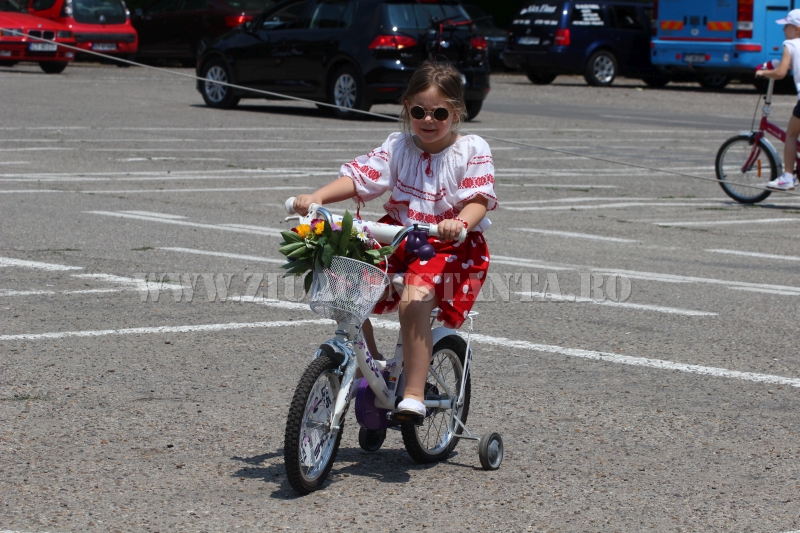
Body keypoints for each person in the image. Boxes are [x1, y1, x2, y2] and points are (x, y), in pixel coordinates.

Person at [293, 61, 498, 417]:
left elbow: (479, 199)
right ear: (407, 107)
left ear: (457, 112)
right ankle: (366, 364)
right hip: (400, 236)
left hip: (448, 245)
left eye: (439, 112)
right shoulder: (399, 146)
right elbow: (361, 178)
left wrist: (459, 222)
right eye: (419, 111)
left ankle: (414, 394)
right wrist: (318, 197)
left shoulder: (472, 149)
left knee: (413, 302)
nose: (428, 119)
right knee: (345, 286)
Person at [756, 9, 800, 191]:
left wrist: (763, 72)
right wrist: (777, 63)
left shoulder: (790, 44)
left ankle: (788, 176)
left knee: (791, 134)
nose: (784, 30)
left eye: (786, 26)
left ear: (797, 28)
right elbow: (789, 64)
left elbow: (781, 73)